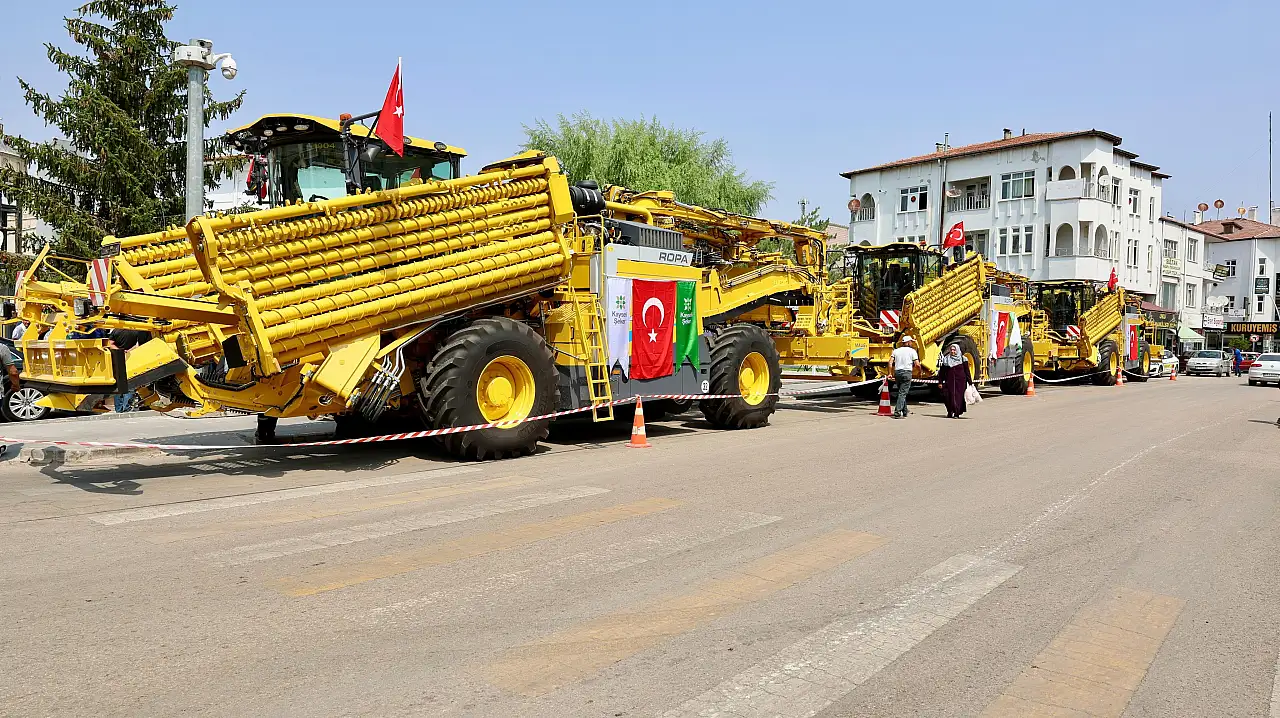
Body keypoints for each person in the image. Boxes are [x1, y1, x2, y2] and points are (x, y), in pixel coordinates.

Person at [936, 343, 972, 418]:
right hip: (949, 382)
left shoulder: (963, 359)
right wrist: (940, 382)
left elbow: (967, 371)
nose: (952, 351)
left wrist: (970, 382)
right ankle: (950, 411)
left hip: (960, 382)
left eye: (954, 350)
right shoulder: (946, 359)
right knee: (947, 397)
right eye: (951, 350)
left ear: (957, 350)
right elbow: (942, 372)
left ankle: (956, 413)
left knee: (958, 398)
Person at [889, 336, 920, 419]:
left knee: (901, 392)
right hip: (906, 373)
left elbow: (890, 362)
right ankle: (897, 412)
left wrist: (890, 373)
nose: (912, 343)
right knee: (902, 393)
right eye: (911, 342)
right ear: (908, 342)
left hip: (897, 373)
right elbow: (917, 364)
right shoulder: (912, 351)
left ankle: (905, 411)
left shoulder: (896, 351)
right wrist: (919, 371)